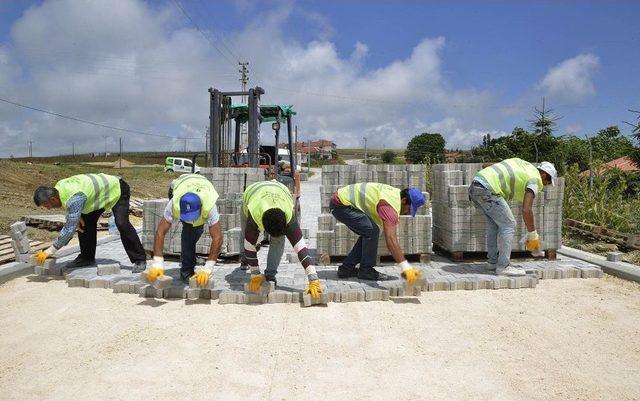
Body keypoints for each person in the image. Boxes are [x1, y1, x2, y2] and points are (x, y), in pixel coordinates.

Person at [33, 173, 147, 271]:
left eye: (47, 205)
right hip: (98, 196)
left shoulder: (74, 198)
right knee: (84, 224)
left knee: (122, 223)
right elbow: (70, 208)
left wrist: (50, 251)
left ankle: (139, 259)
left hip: (117, 189)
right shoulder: (59, 188)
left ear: (53, 199)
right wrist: (76, 217)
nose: (48, 209)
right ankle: (86, 258)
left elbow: (69, 229)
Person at [468, 158, 557, 276]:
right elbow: (526, 210)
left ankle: (492, 263)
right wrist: (533, 234)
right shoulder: (535, 179)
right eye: (548, 182)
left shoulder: (523, 165)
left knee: (494, 225)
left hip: (476, 187)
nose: (546, 186)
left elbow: (486, 165)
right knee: (509, 224)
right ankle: (503, 266)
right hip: (488, 190)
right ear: (544, 175)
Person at [329, 183, 424, 283]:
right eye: (409, 209)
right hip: (341, 204)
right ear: (404, 200)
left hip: (341, 201)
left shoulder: (394, 194)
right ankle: (366, 271)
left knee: (369, 232)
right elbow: (391, 240)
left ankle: (346, 269)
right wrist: (406, 267)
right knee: (371, 231)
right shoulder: (389, 206)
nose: (407, 213)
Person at [240, 180, 321, 298]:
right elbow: (248, 245)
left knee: (278, 241)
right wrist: (255, 274)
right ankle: (247, 259)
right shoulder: (254, 213)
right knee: (248, 240)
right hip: (252, 194)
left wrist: (313, 278)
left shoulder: (288, 215)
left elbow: (301, 247)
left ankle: (270, 275)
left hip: (280, 191)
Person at [146, 173, 223, 286]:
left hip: (202, 185)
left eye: (193, 215)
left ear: (201, 207)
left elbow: (218, 238)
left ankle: (187, 258)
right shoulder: (174, 203)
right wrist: (157, 262)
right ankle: (186, 270)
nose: (190, 219)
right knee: (189, 232)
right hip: (178, 186)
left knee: (196, 230)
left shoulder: (209, 205)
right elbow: (160, 231)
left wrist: (208, 268)